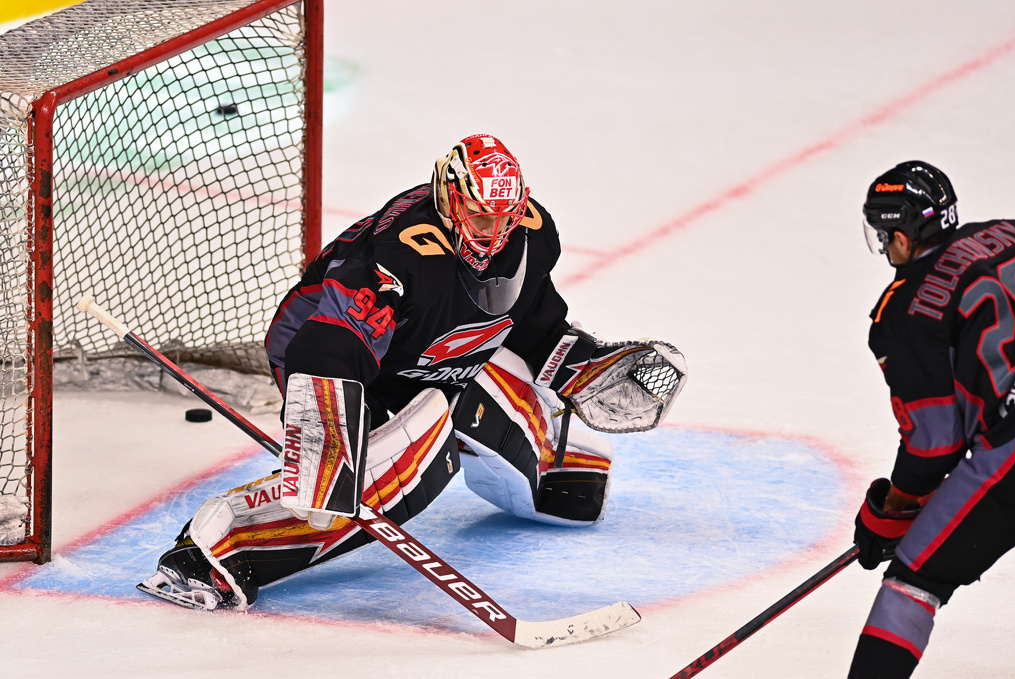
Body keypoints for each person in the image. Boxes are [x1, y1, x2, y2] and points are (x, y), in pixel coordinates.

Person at [137, 133, 685, 611]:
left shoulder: (531, 231)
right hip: (344, 366)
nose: (495, 232)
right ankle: (214, 551)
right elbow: (329, 348)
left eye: (507, 216)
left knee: (503, 409)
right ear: (450, 201)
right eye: (481, 217)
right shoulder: (398, 256)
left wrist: (584, 365)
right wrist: (326, 443)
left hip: (433, 359)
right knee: (408, 466)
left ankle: (548, 464)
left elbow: (529, 322)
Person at [849, 160, 1015, 677]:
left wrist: (892, 511)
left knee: (913, 581)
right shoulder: (1008, 232)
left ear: (901, 237)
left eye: (884, 237)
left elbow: (934, 446)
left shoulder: (902, 312)